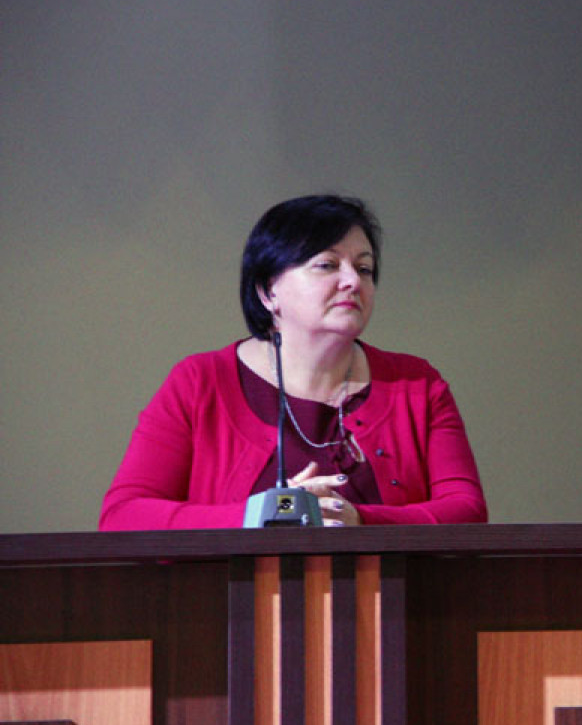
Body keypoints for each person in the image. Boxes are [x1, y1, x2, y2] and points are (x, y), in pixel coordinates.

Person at [100, 195, 487, 529]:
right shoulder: (200, 381)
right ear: (268, 290)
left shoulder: (417, 384)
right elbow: (123, 516)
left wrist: (360, 521)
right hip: (236, 595)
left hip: (387, 594)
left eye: (364, 268)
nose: (353, 281)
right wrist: (261, 515)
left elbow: (467, 511)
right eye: (328, 265)